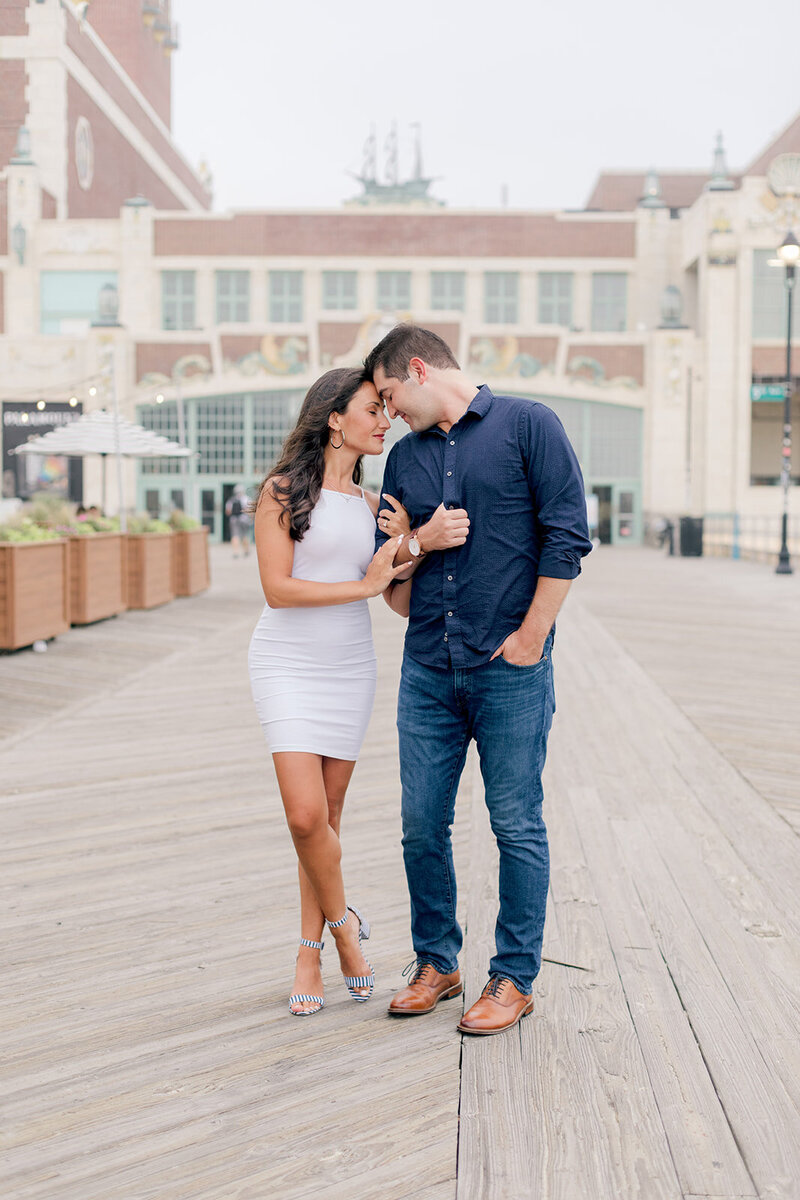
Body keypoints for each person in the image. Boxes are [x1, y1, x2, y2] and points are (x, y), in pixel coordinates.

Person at [367, 324, 593, 1036]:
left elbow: (568, 536)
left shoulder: (530, 426)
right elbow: (392, 586)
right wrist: (413, 546)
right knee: (419, 825)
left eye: (390, 394)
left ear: (418, 367)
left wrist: (531, 639)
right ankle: (438, 963)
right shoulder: (403, 459)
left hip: (510, 671)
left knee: (516, 823)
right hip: (427, 666)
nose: (388, 411)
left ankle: (514, 976)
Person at [249, 367, 410, 1017]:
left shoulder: (375, 509)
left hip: (349, 667)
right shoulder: (283, 492)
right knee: (304, 817)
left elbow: (391, 584)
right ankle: (345, 933)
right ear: (334, 419)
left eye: (387, 410)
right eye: (373, 409)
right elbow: (277, 590)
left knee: (329, 821)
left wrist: (407, 551)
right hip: (285, 663)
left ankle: (306, 953)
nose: (385, 421)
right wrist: (366, 586)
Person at [226, 484, 253, 557]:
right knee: (245, 535)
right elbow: (249, 510)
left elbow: (228, 511)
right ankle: (246, 551)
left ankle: (236, 552)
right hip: (244, 519)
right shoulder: (246, 499)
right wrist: (250, 519)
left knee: (235, 536)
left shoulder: (231, 500)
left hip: (234, 520)